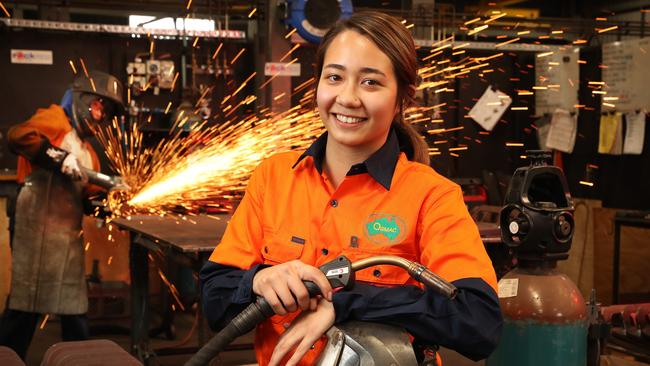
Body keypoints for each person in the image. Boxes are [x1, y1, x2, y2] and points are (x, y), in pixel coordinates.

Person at [200, 11, 502, 366]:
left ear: (403, 97)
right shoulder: (274, 177)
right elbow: (214, 298)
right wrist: (261, 280)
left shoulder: (431, 196)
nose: (348, 98)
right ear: (317, 84)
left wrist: (341, 304)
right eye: (334, 77)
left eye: (371, 83)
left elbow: (479, 323)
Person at [0, 71, 124, 359]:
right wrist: (56, 157)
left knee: (74, 308)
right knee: (24, 308)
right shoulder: (55, 119)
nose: (100, 116)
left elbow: (87, 198)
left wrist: (108, 203)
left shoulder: (88, 152)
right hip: (35, 231)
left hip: (65, 239)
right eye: (98, 106)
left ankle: (80, 359)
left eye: (105, 113)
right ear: (81, 100)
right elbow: (17, 135)